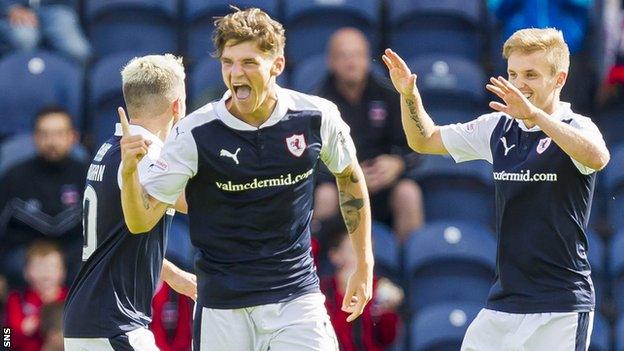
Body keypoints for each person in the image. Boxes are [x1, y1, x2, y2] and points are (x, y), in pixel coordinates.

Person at [119, 8, 374, 351]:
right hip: (223, 306)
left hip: (295, 297)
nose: (236, 73)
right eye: (228, 62)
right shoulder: (195, 132)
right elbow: (140, 223)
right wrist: (131, 172)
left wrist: (364, 260)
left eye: (249, 62)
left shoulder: (315, 116)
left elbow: (349, 176)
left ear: (277, 65)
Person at [383, 27, 609, 350]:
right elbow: (424, 139)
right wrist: (409, 96)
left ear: (559, 79)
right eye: (513, 74)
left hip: (560, 306)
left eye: (530, 75)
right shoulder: (498, 127)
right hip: (503, 305)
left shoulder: (577, 127)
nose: (519, 84)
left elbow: (598, 157)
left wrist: (535, 117)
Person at [63, 54, 196, 351]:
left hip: (91, 321)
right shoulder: (149, 156)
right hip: (114, 324)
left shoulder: (109, 150)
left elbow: (113, 238)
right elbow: (198, 203)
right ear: (178, 105)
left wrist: (171, 273)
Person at [315, 27, 423, 242]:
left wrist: (398, 164)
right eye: (343, 56)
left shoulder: (391, 95)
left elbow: (418, 145)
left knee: (408, 193)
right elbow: (308, 158)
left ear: (367, 58)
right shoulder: (316, 102)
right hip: (339, 186)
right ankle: (316, 267)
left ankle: (407, 269)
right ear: (330, 61)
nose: (351, 62)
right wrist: (346, 176)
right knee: (323, 196)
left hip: (383, 184)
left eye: (357, 55)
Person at [0, 106, 87, 288]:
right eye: (44, 134)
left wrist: (59, 262)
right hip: (24, 258)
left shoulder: (88, 175)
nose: (51, 141)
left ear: (73, 137)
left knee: (90, 268)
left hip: (73, 257)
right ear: (35, 138)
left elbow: (100, 229)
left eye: (59, 134)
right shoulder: (14, 176)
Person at [321, 224, 403, 351]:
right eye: (354, 251)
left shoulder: (379, 288)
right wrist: (345, 293)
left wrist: (388, 311)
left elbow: (387, 339)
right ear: (335, 255)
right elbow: (331, 336)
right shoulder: (323, 290)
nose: (362, 258)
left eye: (367, 251)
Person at [5, 240, 68, 351]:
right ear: (26, 272)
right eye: (39, 267)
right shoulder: (17, 299)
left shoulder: (71, 298)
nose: (46, 273)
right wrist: (19, 332)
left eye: (52, 267)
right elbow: (6, 333)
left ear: (62, 271)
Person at [0, 0, 91, 64]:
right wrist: (12, 8)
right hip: (16, 10)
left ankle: (76, 86)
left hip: (55, 7)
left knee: (77, 51)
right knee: (25, 38)